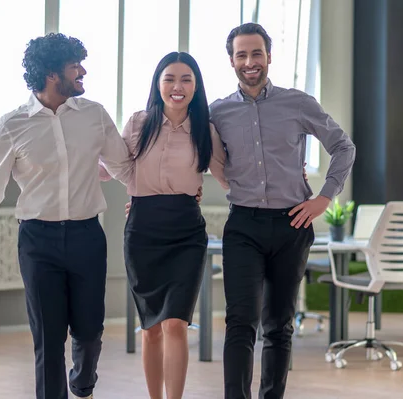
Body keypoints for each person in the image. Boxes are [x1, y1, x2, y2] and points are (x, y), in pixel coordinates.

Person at [0, 33, 131, 399]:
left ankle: (83, 383)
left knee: (89, 331)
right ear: (53, 73)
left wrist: (161, 191)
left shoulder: (95, 115)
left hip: (87, 237)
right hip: (38, 242)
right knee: (48, 340)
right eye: (75, 66)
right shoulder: (12, 125)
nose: (82, 71)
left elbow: (124, 166)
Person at [209, 23, 356, 399]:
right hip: (243, 225)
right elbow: (194, 155)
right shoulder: (217, 112)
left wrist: (324, 197)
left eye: (256, 53)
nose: (250, 62)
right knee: (240, 322)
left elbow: (343, 147)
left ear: (269, 56)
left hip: (293, 224)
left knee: (279, 325)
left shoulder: (298, 103)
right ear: (231, 61)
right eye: (241, 55)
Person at [112, 51, 228, 399]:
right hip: (143, 229)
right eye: (170, 79)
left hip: (186, 232)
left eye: (186, 79)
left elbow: (229, 177)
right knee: (151, 328)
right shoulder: (138, 123)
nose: (177, 87)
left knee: (177, 323)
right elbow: (118, 165)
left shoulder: (206, 130)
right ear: (158, 83)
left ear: (196, 86)